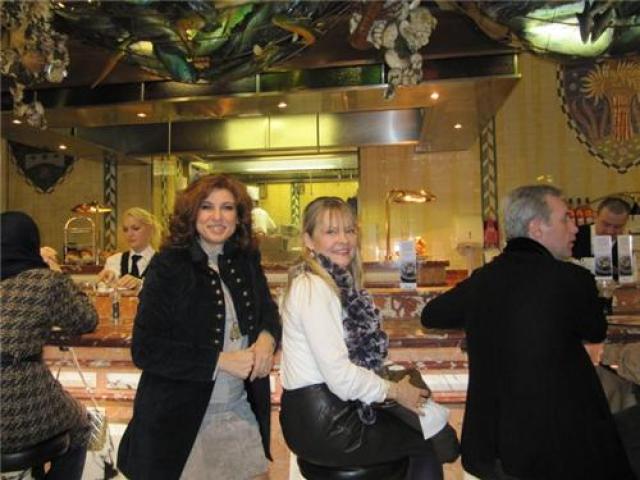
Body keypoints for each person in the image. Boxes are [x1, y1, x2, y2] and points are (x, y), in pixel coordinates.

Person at [422, 185, 635, 479]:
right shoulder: (573, 279)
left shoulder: (483, 280)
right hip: (565, 446)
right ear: (536, 228)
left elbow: (432, 314)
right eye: (565, 219)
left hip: (496, 447)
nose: (575, 227)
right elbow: (595, 330)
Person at [117, 174, 281, 480]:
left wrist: (267, 338)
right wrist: (219, 361)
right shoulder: (168, 265)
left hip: (238, 408)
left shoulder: (245, 259)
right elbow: (145, 349)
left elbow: (267, 311)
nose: (218, 217)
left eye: (227, 208)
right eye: (207, 207)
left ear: (238, 216)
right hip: (180, 421)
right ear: (191, 214)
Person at [279, 196, 445, 480]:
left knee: (423, 430)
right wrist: (396, 391)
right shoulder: (314, 288)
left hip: (320, 415)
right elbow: (340, 376)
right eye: (331, 231)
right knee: (425, 442)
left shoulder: (330, 283)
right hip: (327, 424)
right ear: (308, 240)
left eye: (349, 230)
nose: (343, 240)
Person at [1, 211, 98, 480]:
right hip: (18, 403)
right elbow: (86, 319)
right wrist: (56, 272)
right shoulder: (44, 281)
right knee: (82, 423)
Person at [97, 207, 161, 290]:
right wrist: (108, 284)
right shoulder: (114, 261)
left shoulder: (163, 262)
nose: (130, 234)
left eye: (136, 228)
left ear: (150, 229)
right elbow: (102, 290)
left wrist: (141, 284)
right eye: (125, 230)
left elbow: (168, 290)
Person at [572, 196, 631, 261]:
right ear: (595, 217)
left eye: (617, 227)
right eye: (606, 224)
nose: (610, 231)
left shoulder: (625, 244)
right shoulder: (574, 236)